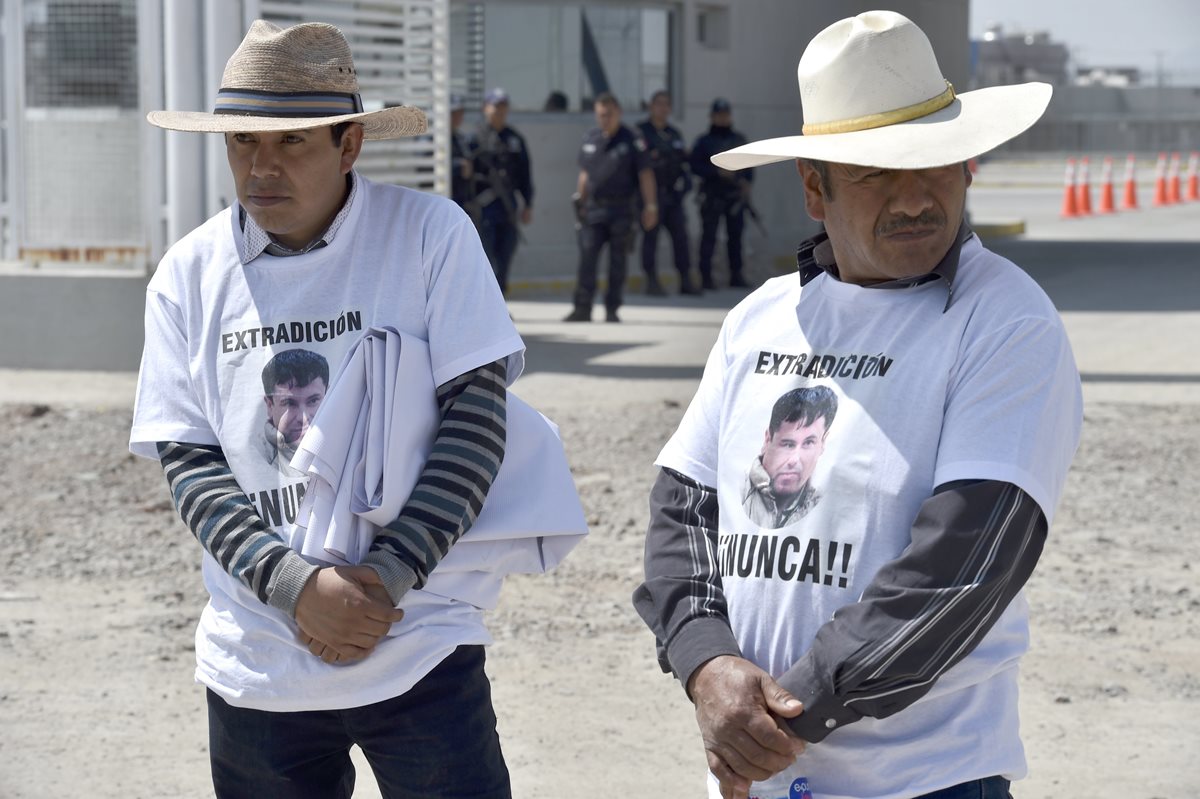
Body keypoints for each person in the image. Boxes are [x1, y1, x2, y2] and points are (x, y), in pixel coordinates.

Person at [633, 10, 1082, 799]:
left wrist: (776, 716)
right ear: (814, 186)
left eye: (936, 164)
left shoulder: (1004, 320)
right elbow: (683, 510)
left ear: (969, 165)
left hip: (925, 782)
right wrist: (707, 663)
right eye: (877, 172)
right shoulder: (758, 320)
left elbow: (966, 563)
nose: (916, 197)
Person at [131, 20, 531, 797]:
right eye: (243, 143)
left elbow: (477, 417)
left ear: (350, 145)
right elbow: (190, 459)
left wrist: (383, 577)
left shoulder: (428, 235)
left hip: (416, 640)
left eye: (291, 143)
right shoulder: (188, 274)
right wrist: (294, 585)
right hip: (258, 661)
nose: (261, 167)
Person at [565, 92, 657, 323]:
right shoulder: (591, 138)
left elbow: (645, 174)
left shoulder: (632, 138)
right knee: (587, 260)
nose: (604, 119)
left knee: (618, 263)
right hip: (594, 210)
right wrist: (580, 200)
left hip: (621, 210)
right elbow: (585, 174)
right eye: (600, 115)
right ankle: (582, 308)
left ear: (619, 113)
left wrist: (651, 206)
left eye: (609, 114)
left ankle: (612, 309)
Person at [743, 386, 837, 529]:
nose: (794, 460)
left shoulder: (829, 507)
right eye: (788, 444)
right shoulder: (736, 489)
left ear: (823, 443)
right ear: (768, 439)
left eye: (808, 443)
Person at [469, 87, 533, 295]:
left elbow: (525, 175)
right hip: (484, 209)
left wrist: (528, 204)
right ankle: (489, 302)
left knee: (505, 256)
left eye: (503, 106)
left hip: (508, 207)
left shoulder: (515, 139)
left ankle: (501, 301)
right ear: (485, 108)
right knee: (487, 259)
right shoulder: (475, 138)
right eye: (496, 106)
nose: (500, 111)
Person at [636, 90, 699, 296]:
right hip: (650, 198)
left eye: (666, 104)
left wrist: (686, 185)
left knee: (681, 238)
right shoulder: (641, 133)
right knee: (650, 239)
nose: (662, 108)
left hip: (673, 197)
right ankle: (652, 281)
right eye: (658, 104)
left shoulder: (674, 134)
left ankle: (685, 280)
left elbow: (684, 163)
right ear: (651, 107)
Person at [690, 98, 754, 290]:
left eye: (725, 115)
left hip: (734, 197)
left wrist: (746, 183)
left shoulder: (738, 140)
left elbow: (749, 167)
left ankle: (736, 275)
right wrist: (717, 172)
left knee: (735, 237)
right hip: (712, 195)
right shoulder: (703, 142)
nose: (722, 118)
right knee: (708, 237)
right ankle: (706, 277)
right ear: (712, 117)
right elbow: (694, 166)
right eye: (719, 115)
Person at [258, 348, 329, 475]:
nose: (304, 418)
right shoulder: (253, 456)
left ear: (329, 395)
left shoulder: (355, 442)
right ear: (270, 405)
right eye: (290, 403)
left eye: (313, 401)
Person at [449, 93, 476, 212]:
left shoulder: (461, 139)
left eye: (460, 113)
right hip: (444, 200)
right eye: (453, 113)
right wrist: (458, 166)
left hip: (463, 203)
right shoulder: (432, 139)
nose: (457, 117)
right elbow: (425, 165)